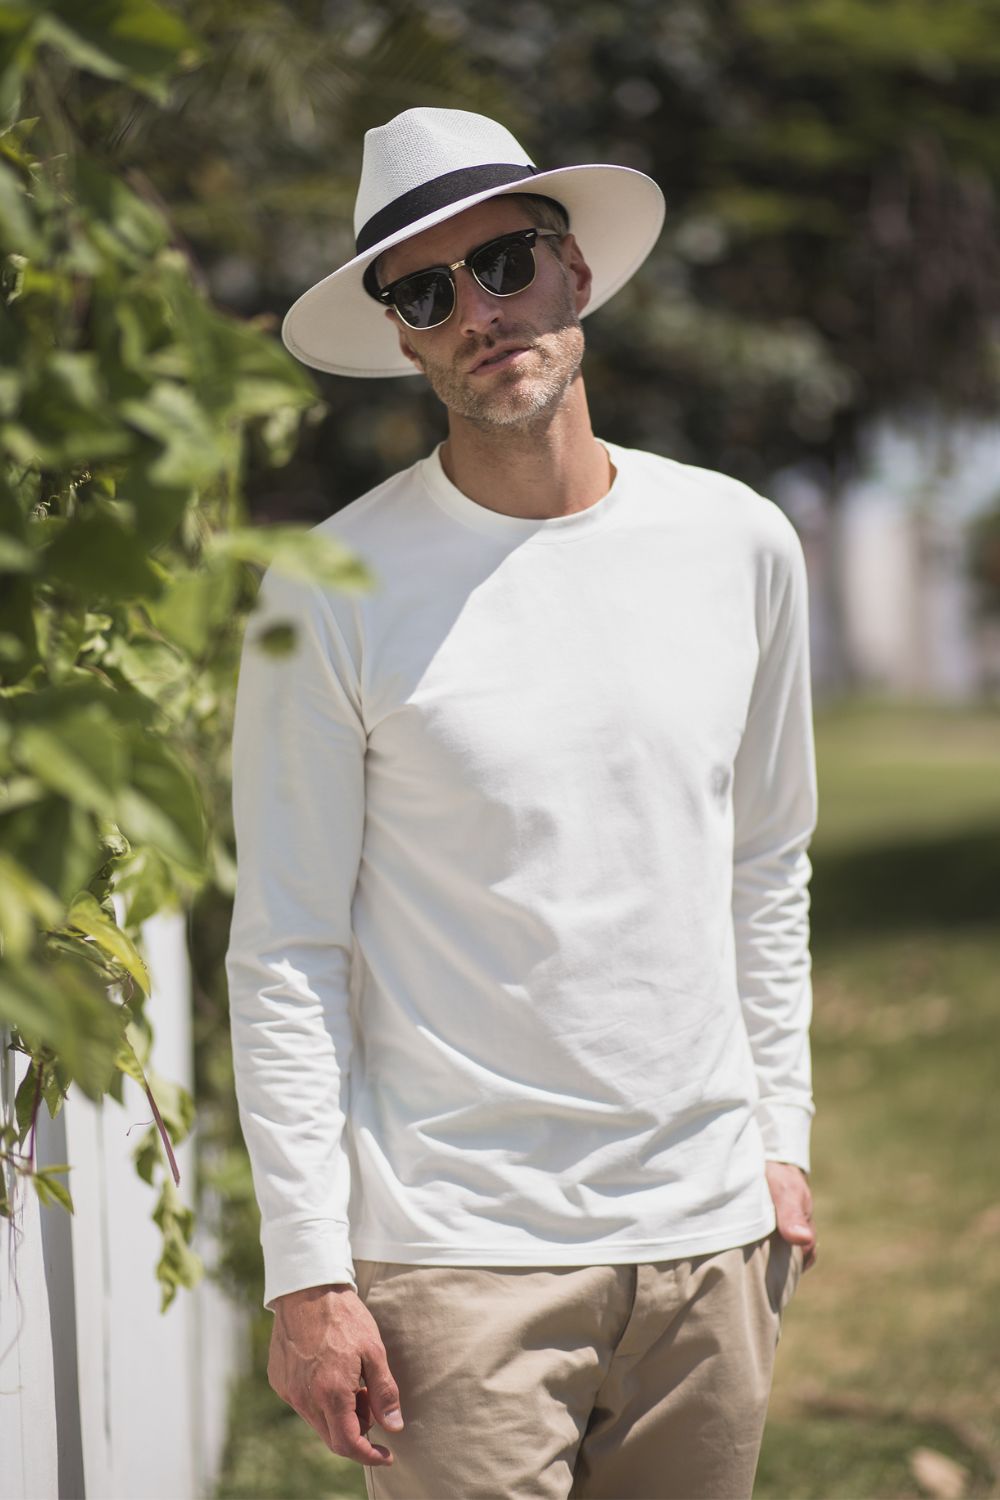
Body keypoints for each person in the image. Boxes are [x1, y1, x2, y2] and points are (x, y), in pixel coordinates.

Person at [225, 106, 820, 1500]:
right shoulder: (328, 588)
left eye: (505, 263)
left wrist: (778, 1141)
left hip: (708, 1244)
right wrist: (309, 1277)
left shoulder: (739, 543)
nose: (479, 313)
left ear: (576, 273)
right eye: (426, 293)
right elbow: (289, 948)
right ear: (403, 336)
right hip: (455, 1257)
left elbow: (767, 861)